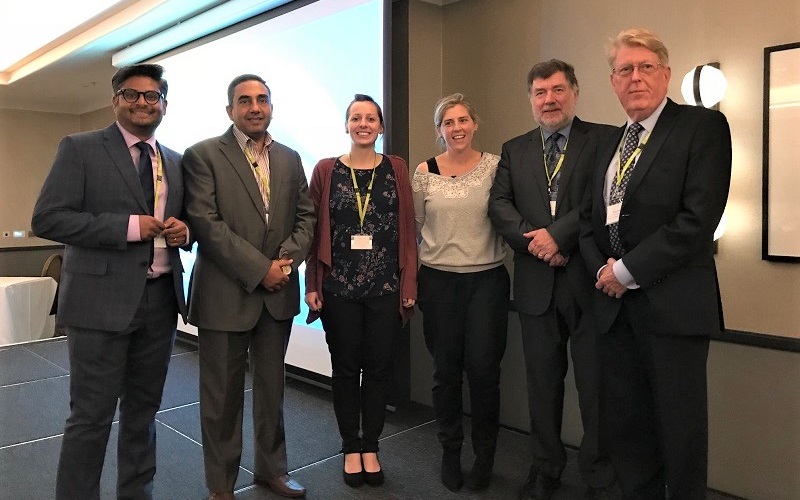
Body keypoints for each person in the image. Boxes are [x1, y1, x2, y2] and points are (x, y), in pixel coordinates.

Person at [579, 28, 731, 499]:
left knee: (681, 436)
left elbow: (696, 220)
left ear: (665, 74)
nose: (635, 77)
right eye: (625, 69)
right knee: (629, 435)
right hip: (615, 313)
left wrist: (625, 272)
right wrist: (604, 272)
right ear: (612, 82)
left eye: (646, 67)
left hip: (674, 310)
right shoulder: (608, 143)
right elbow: (588, 222)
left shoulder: (701, 128)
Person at [31, 63, 189, 500]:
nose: (142, 102)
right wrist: (127, 228)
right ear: (115, 99)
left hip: (160, 304)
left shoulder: (174, 161)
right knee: (91, 417)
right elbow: (48, 218)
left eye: (151, 95)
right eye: (132, 94)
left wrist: (185, 232)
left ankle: (136, 494)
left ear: (164, 104)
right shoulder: (79, 148)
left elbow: (186, 221)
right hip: (98, 304)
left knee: (143, 413)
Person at [489, 60, 618, 500]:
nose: (550, 99)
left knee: (595, 387)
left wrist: (557, 236)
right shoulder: (514, 148)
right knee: (542, 386)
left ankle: (599, 474)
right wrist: (537, 244)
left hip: (590, 283)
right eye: (540, 92)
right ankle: (546, 468)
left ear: (575, 93)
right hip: (535, 286)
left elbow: (604, 203)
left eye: (558, 90)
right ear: (531, 100)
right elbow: (500, 207)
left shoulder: (604, 139)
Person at [182, 74, 315, 500]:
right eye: (244, 101)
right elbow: (206, 223)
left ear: (272, 106)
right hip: (225, 295)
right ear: (230, 110)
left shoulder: (291, 159)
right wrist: (262, 269)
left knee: (272, 391)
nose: (254, 107)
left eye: (262, 99)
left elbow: (306, 218)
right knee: (221, 399)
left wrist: (286, 262)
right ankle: (221, 485)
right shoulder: (202, 155)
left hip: (277, 298)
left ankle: (271, 470)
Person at [305, 94, 417, 488]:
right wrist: (312, 283)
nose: (363, 124)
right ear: (347, 125)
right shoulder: (325, 170)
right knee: (346, 369)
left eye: (371, 118)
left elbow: (408, 229)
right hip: (339, 288)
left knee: (379, 370)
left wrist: (409, 282)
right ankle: (350, 446)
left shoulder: (397, 169)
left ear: (381, 127)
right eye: (356, 118)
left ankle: (371, 444)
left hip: (386, 288)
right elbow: (314, 231)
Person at [412, 93, 509, 492]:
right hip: (438, 282)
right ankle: (450, 451)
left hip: (486, 280)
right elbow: (416, 224)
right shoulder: (424, 171)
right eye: (448, 122)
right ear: (439, 130)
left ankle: (485, 457)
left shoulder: (495, 168)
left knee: (485, 373)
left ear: (475, 123)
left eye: (463, 120)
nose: (457, 128)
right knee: (445, 373)